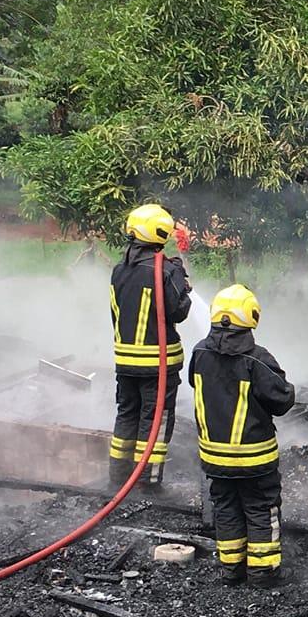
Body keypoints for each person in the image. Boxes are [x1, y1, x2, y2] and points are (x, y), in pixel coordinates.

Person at [188, 283, 295, 585]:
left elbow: (199, 387)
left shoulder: (198, 354)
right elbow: (282, 400)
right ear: (251, 317)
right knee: (261, 508)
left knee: (226, 508)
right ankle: (263, 572)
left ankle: (231, 569)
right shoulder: (257, 360)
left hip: (214, 458)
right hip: (254, 458)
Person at [110, 202, 193, 490]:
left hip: (126, 361)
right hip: (158, 364)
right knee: (155, 421)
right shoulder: (165, 271)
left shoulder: (119, 270)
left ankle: (119, 478)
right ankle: (148, 482)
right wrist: (184, 286)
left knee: (126, 416)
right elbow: (177, 312)